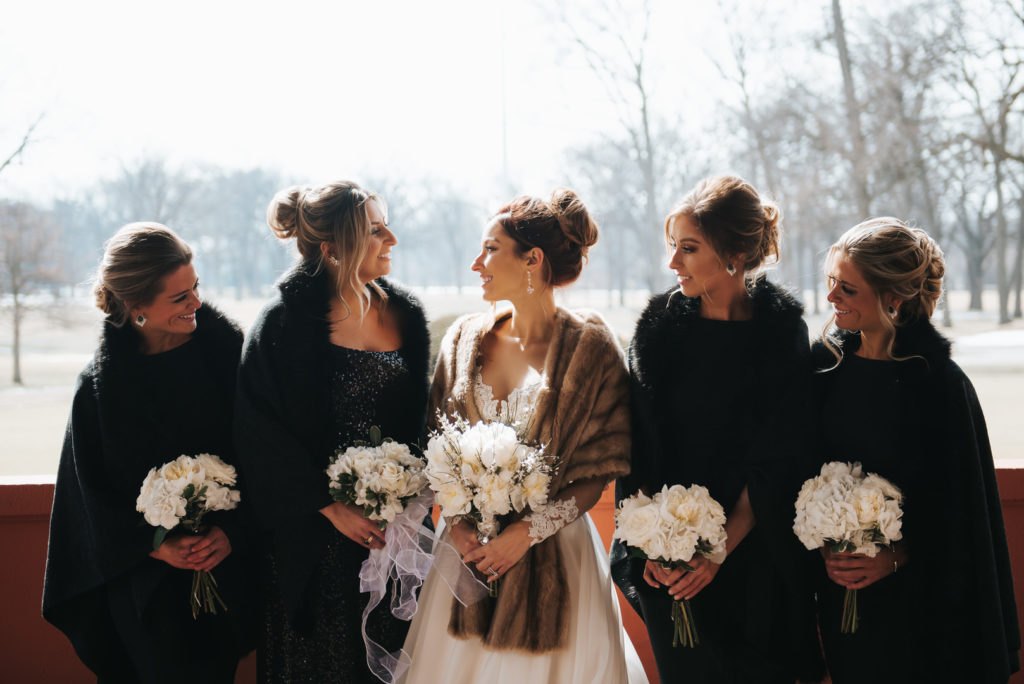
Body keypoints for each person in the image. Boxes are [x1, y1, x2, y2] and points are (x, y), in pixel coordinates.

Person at [400, 188, 647, 684]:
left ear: (531, 259)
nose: (476, 263)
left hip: (556, 563)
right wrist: (461, 526)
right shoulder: (461, 339)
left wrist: (523, 534)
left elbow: (599, 471)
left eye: (490, 249)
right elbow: (435, 448)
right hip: (464, 566)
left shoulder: (592, 348)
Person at [620, 175, 824, 683]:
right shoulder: (658, 328)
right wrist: (659, 546)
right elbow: (638, 445)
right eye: (673, 247)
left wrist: (716, 552)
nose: (673, 263)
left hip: (757, 559)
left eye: (688, 249)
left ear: (733, 252)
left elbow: (780, 457)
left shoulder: (783, 333)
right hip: (669, 564)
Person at [234, 181, 430, 683]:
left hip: (395, 538)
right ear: (332, 248)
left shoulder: (406, 316)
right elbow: (259, 434)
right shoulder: (281, 326)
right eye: (375, 229)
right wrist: (330, 506)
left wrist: (409, 504)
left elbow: (425, 421)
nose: (392, 237)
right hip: (312, 544)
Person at [42, 222, 254, 683]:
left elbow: (262, 456)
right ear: (135, 307)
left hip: (224, 575)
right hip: (142, 588)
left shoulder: (230, 358)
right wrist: (156, 546)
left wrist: (231, 531)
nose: (196, 302)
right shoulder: (98, 390)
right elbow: (88, 496)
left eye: (195, 287)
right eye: (179, 298)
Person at [812, 218, 1019, 684]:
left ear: (893, 298)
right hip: (840, 600)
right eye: (831, 283)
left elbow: (963, 510)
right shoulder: (823, 369)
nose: (831, 299)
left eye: (846, 287)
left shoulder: (941, 386)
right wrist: (824, 539)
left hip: (920, 607)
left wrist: (896, 556)